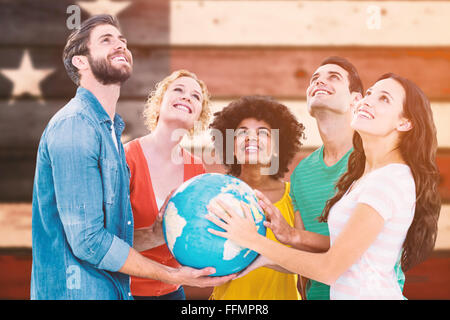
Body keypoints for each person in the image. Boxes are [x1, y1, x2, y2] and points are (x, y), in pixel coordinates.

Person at [31, 15, 233, 300]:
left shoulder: (109, 133)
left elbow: (113, 236)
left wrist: (157, 234)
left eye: (123, 41)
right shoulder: (76, 126)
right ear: (81, 61)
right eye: (106, 40)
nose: (120, 45)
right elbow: (89, 242)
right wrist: (172, 275)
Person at [206, 73, 441, 299]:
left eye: (384, 98)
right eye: (369, 93)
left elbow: (330, 269)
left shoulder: (388, 180)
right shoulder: (367, 177)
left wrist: (256, 242)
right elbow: (348, 247)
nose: (368, 101)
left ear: (405, 122)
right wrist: (292, 236)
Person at [124, 69, 212, 300]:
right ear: (159, 103)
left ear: (198, 117)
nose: (186, 97)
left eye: (195, 96)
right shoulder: (125, 158)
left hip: (173, 293)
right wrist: (156, 234)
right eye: (178, 90)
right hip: (125, 292)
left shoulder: (197, 169)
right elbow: (106, 241)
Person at [207, 95, 305, 300]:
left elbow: (308, 263)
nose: (251, 138)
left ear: (277, 146)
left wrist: (263, 255)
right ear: (231, 146)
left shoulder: (294, 196)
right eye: (242, 132)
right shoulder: (218, 194)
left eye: (263, 133)